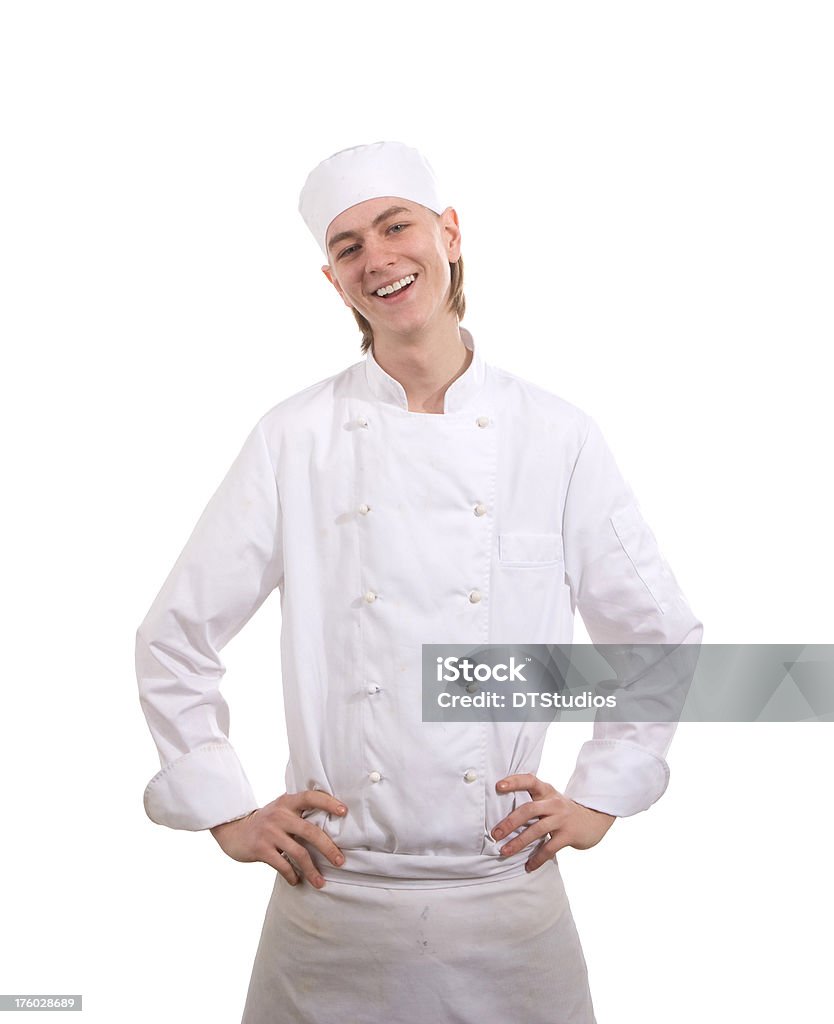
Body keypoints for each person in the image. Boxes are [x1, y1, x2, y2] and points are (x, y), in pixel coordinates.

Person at [135, 141, 702, 1023]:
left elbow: (657, 631)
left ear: (449, 234)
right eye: (349, 245)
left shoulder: (555, 435)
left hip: (506, 897)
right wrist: (226, 807)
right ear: (332, 280)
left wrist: (606, 789)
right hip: (331, 900)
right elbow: (176, 634)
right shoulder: (296, 437)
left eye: (396, 227)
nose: (379, 259)